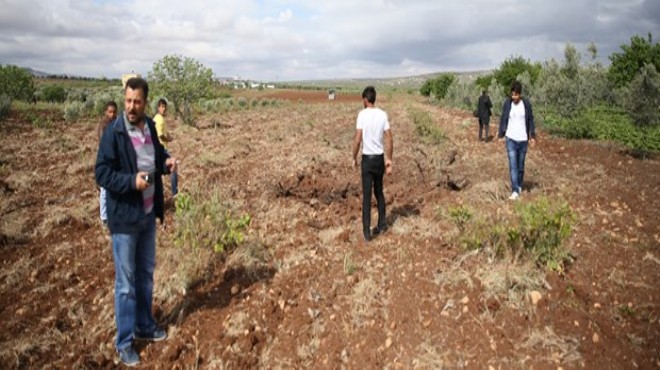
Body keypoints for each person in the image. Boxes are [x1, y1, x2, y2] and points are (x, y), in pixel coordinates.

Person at [95, 77, 177, 366]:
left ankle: (144, 325)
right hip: (125, 219)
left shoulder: (150, 128)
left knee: (145, 275)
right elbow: (101, 174)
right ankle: (125, 341)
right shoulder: (114, 133)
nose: (131, 106)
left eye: (137, 102)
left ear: (145, 102)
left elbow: (156, 156)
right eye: (128, 101)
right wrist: (131, 181)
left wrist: (166, 163)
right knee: (126, 284)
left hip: (147, 215)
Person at [351, 86, 393, 242]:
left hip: (367, 160)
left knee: (367, 196)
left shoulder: (362, 115)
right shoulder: (383, 114)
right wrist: (389, 159)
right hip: (379, 159)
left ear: (365, 99)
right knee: (379, 191)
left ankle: (367, 233)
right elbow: (389, 137)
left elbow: (357, 139)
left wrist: (354, 157)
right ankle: (382, 225)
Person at [497, 81, 536, 201]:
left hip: (523, 140)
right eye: (512, 94)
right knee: (513, 166)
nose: (514, 97)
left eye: (516, 95)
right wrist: (501, 134)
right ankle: (514, 190)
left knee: (520, 166)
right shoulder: (508, 104)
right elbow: (503, 118)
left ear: (520, 94)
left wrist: (532, 136)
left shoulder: (526, 104)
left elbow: (530, 120)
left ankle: (519, 185)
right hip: (511, 138)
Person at [96, 101, 118, 226]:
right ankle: (104, 218)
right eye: (110, 112)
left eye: (114, 111)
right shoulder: (104, 126)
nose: (112, 114)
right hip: (106, 160)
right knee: (105, 189)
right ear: (105, 112)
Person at [153, 98, 178, 196]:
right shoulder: (159, 119)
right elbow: (160, 135)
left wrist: (169, 136)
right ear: (158, 107)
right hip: (161, 149)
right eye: (162, 107)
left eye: (165, 107)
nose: (164, 109)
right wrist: (167, 139)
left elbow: (163, 132)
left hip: (157, 150)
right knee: (173, 166)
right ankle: (175, 193)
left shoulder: (158, 118)